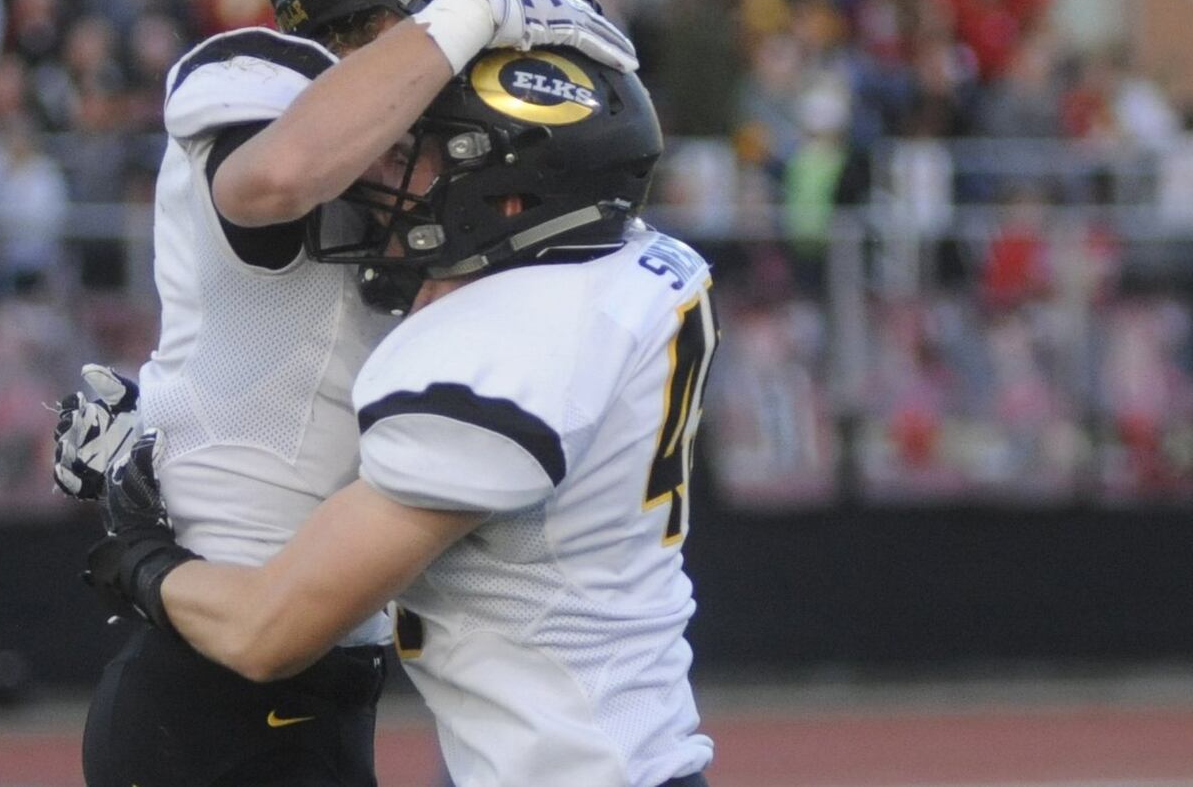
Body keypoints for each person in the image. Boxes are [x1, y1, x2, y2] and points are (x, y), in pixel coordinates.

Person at [52, 0, 636, 787]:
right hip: (214, 676)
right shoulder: (258, 73)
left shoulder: (442, 119)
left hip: (319, 663)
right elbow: (275, 182)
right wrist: (467, 15)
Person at [88, 45, 719, 787]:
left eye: (427, 156)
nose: (383, 173)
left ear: (510, 196)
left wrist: (137, 554)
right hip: (612, 750)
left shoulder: (488, 361)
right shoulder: (633, 264)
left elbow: (266, 630)